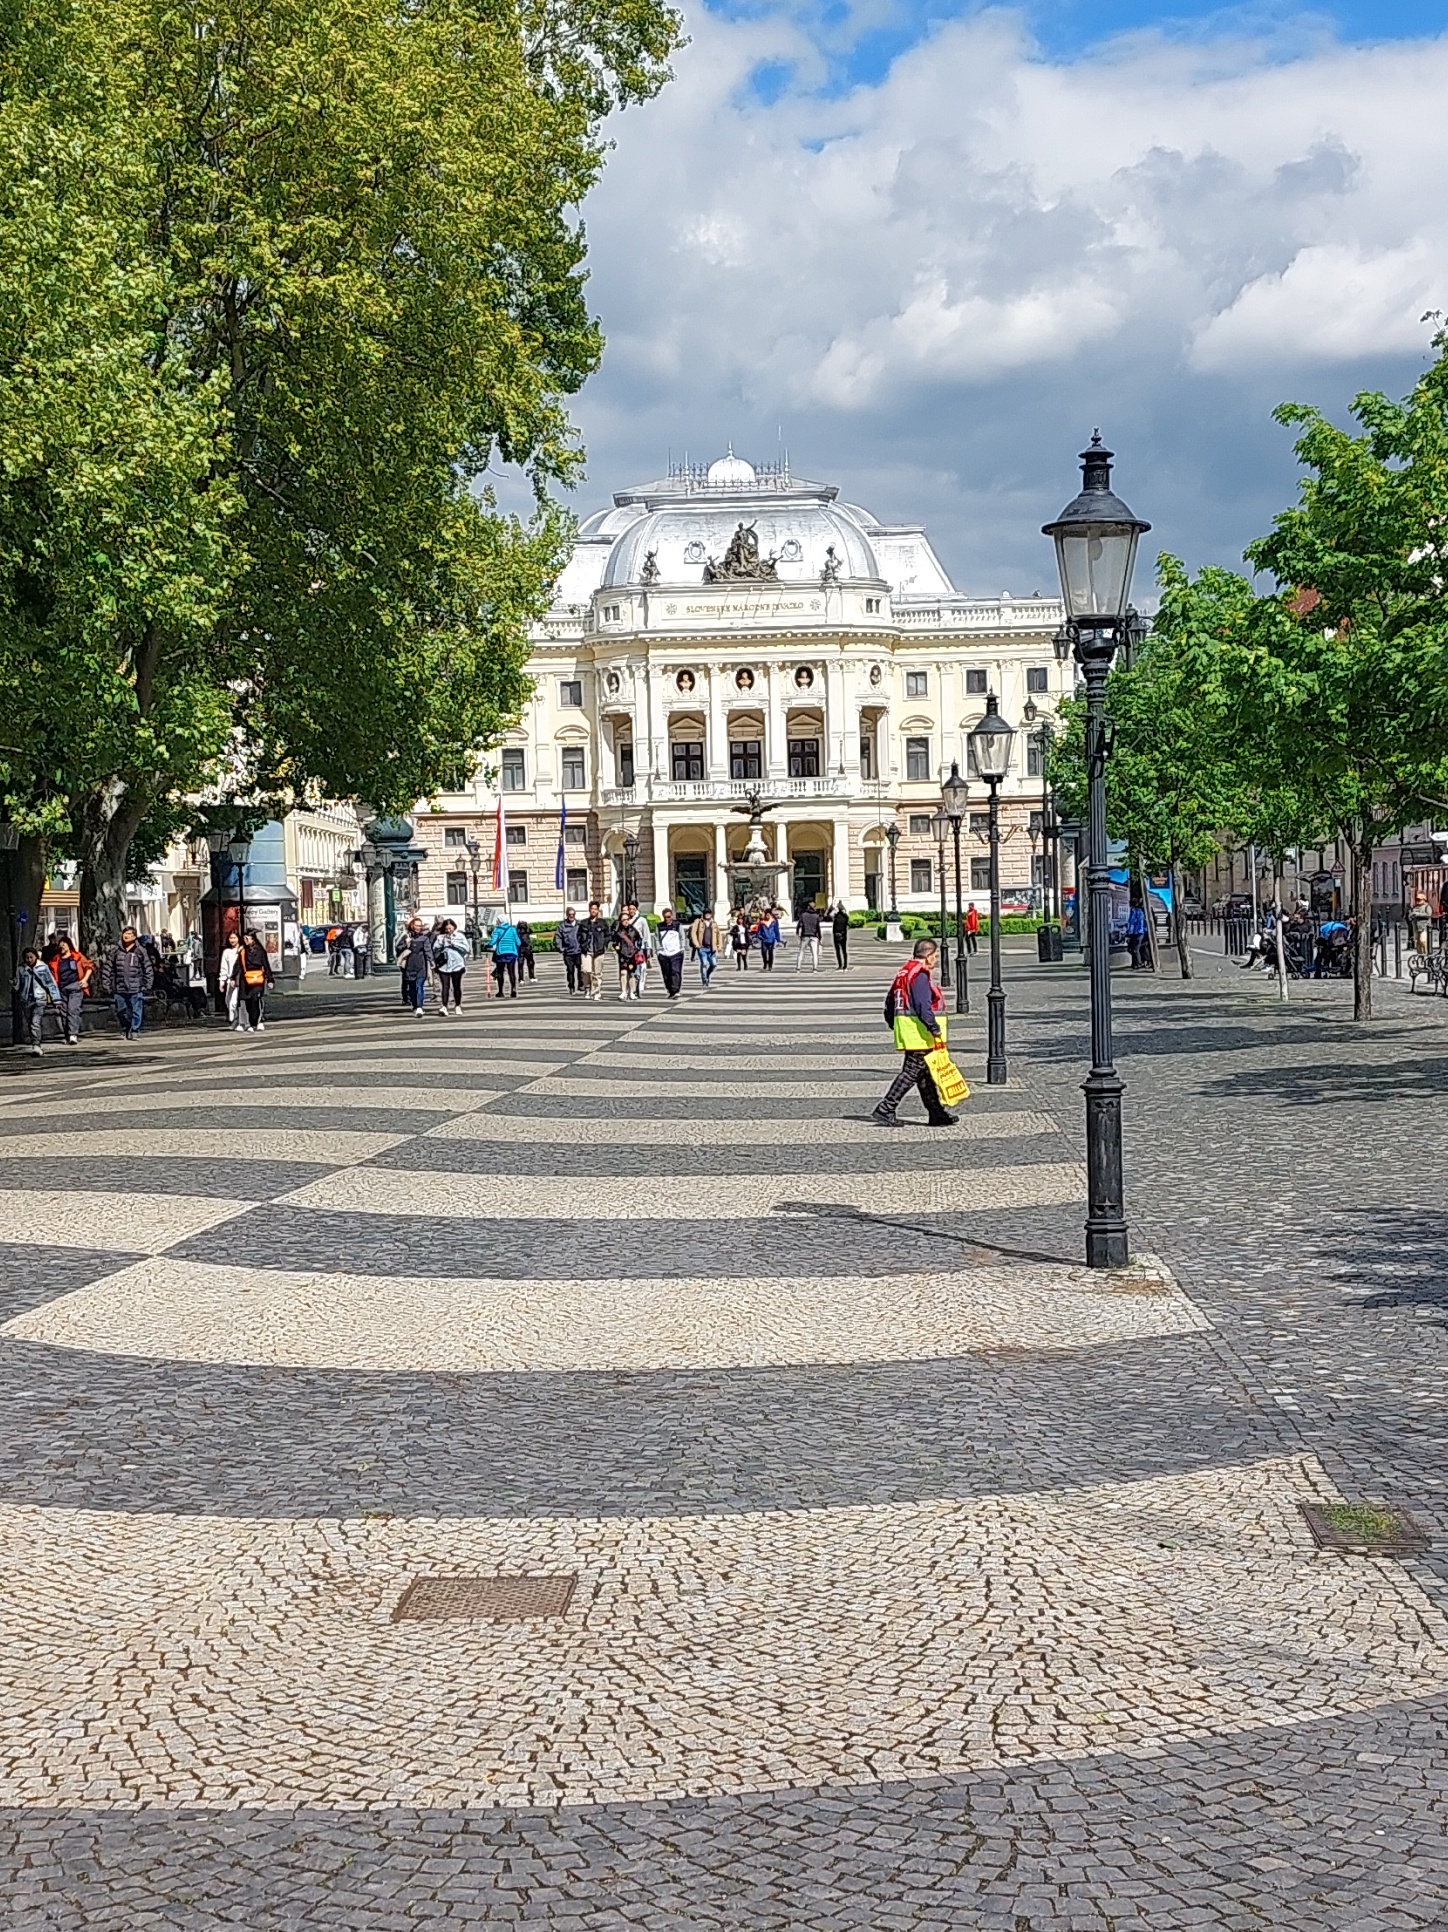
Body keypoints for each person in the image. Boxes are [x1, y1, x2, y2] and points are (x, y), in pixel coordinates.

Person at [872, 937, 957, 1128]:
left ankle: (936, 1113)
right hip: (918, 1032)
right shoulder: (919, 974)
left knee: (924, 1073)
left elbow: (890, 1001)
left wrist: (892, 1022)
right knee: (911, 1071)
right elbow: (922, 1005)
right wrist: (934, 1028)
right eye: (934, 956)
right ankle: (886, 1108)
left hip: (908, 1028)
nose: (935, 961)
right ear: (927, 956)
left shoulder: (904, 971)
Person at [101, 927, 153, 1040]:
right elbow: (108, 968)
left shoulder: (140, 951)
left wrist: (148, 983)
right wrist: (106, 983)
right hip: (119, 986)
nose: (126, 935)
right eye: (125, 933)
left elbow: (147, 967)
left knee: (136, 1010)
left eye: (129, 934)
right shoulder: (116, 951)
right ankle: (126, 1026)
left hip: (136, 986)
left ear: (134, 937)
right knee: (121, 1011)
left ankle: (134, 1030)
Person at [44, 936, 92, 1044]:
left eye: (64, 944)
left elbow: (89, 967)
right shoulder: (56, 959)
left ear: (69, 945)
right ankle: (67, 1034)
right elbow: (51, 973)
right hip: (61, 989)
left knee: (73, 1010)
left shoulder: (77, 956)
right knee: (63, 1012)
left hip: (75, 987)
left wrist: (84, 980)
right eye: (60, 945)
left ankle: (73, 1034)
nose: (62, 947)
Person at [13, 947, 60, 1056]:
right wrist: (14, 983)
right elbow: (18, 986)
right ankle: (35, 1041)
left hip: (39, 999)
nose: (29, 960)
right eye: (27, 957)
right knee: (30, 1023)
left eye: (31, 957)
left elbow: (50, 983)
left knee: (35, 1022)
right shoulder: (21, 969)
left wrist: (56, 998)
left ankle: (36, 1045)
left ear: (36, 957)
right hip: (26, 999)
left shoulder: (43, 967)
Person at [237, 928, 274, 1031]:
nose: (245, 940)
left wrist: (270, 979)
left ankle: (258, 1020)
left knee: (256, 999)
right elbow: (238, 965)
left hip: (257, 978)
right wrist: (232, 977)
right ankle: (249, 1022)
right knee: (247, 1000)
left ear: (253, 939)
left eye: (247, 938)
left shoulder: (260, 951)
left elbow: (265, 965)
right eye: (244, 938)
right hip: (246, 979)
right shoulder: (242, 951)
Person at [612, 902, 646, 1000]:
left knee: (631, 974)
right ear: (621, 921)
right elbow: (614, 943)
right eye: (623, 920)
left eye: (627, 919)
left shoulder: (633, 930)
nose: (626, 921)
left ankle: (632, 992)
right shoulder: (618, 932)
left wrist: (638, 949)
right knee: (623, 973)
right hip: (623, 955)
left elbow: (640, 939)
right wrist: (618, 950)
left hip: (632, 955)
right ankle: (623, 992)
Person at [434, 919, 469, 1013]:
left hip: (457, 964)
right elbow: (435, 949)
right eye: (446, 929)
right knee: (445, 986)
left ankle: (457, 1005)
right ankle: (444, 1006)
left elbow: (466, 949)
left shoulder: (460, 936)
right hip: (444, 965)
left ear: (454, 927)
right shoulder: (440, 937)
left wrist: (454, 943)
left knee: (456, 986)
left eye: (450, 928)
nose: (449, 930)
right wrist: (442, 944)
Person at [399, 916, 433, 1014]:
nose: (418, 927)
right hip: (409, 965)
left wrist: (431, 962)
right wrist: (406, 944)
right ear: (412, 926)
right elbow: (398, 948)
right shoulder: (406, 937)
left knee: (419, 986)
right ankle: (415, 1005)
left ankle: (419, 1006)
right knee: (412, 987)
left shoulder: (424, 938)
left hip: (421, 965)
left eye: (420, 925)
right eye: (416, 925)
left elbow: (428, 950)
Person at [578, 901, 610, 1001]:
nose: (594, 911)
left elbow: (608, 935)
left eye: (596, 909)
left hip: (599, 951)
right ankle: (587, 988)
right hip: (586, 951)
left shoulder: (602, 923)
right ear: (589, 910)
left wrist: (604, 944)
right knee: (586, 970)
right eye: (592, 909)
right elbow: (578, 936)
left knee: (597, 973)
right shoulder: (583, 923)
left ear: (598, 910)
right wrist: (582, 944)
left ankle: (596, 992)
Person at [218, 930, 248, 1030]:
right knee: (228, 1001)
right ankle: (235, 1020)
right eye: (230, 938)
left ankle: (237, 1020)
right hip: (229, 981)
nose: (232, 940)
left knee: (234, 1002)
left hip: (241, 981)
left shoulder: (242, 950)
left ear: (238, 938)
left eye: (234, 938)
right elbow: (224, 968)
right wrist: (222, 981)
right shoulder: (226, 952)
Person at [656, 906, 685, 998]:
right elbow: (657, 938)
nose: (667, 919)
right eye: (665, 917)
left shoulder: (677, 925)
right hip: (663, 953)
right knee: (666, 973)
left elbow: (682, 936)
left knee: (675, 971)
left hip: (676, 952)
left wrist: (682, 948)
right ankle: (670, 989)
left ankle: (676, 990)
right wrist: (658, 950)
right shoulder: (659, 926)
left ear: (672, 916)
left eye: (668, 917)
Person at [489, 914, 521, 998]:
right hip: (512, 953)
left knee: (500, 972)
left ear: (499, 921)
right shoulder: (513, 929)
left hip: (501, 954)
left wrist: (487, 944)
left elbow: (493, 941)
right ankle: (513, 990)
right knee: (511, 972)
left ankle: (500, 991)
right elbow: (518, 942)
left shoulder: (497, 930)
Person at [557, 907, 584, 994]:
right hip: (568, 952)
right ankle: (571, 986)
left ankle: (581, 985)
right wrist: (560, 947)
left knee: (581, 969)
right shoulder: (562, 926)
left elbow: (585, 935)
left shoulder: (579, 924)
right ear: (567, 915)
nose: (571, 916)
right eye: (570, 915)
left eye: (573, 914)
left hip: (579, 951)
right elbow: (558, 937)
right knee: (570, 970)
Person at [690, 909, 720, 986]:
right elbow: (693, 933)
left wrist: (719, 945)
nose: (707, 914)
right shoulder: (698, 922)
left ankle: (706, 975)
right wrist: (697, 944)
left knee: (713, 964)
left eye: (709, 913)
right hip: (702, 947)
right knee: (704, 963)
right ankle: (704, 980)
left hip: (711, 948)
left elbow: (718, 935)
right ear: (703, 914)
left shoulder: (714, 923)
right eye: (706, 913)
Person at [795, 902, 822, 970]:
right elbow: (818, 927)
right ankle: (815, 968)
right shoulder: (816, 916)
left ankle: (798, 967)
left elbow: (798, 925)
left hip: (805, 935)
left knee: (801, 951)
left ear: (808, 907)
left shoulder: (803, 915)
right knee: (814, 953)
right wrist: (820, 936)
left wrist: (797, 933)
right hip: (814, 935)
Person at [1126, 899, 1150, 969]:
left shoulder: (1134, 911)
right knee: (1137, 948)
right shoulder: (1141, 911)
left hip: (1136, 933)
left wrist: (1128, 932)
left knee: (1134, 949)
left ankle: (1139, 963)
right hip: (1141, 932)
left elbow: (1131, 922)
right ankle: (1138, 962)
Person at [756, 906, 780, 971]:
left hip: (771, 939)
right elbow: (759, 931)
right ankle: (765, 963)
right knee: (763, 952)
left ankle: (770, 965)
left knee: (770, 952)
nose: (767, 916)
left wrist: (778, 938)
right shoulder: (762, 922)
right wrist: (759, 936)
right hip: (764, 939)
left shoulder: (774, 921)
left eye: (769, 915)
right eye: (766, 915)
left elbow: (776, 930)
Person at [1409, 892, 1433, 957]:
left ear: (1424, 899)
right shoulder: (1415, 907)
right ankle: (1420, 955)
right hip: (1416, 927)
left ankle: (1425, 954)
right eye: (1417, 899)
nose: (1418, 901)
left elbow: (1428, 915)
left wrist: (1418, 914)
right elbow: (1411, 916)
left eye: (1419, 899)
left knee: (1423, 941)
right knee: (1418, 943)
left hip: (1424, 927)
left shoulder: (1427, 907)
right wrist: (1411, 915)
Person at [831, 902, 850, 970]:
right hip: (843, 934)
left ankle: (840, 965)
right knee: (844, 951)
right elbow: (848, 923)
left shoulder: (836, 917)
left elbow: (830, 916)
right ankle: (845, 965)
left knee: (838, 951)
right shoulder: (845, 917)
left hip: (836, 934)